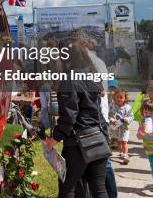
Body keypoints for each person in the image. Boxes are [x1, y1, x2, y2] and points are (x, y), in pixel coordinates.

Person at [45, 39, 109, 198]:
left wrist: (55, 137)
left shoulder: (69, 79)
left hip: (78, 143)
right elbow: (96, 109)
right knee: (99, 189)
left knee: (68, 188)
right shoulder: (91, 74)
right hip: (99, 137)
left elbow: (69, 114)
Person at [109, 89, 133, 164]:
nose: (119, 99)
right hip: (116, 127)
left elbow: (132, 116)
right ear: (114, 97)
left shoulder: (127, 107)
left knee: (124, 141)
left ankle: (125, 155)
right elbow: (109, 114)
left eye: (121, 97)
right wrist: (112, 119)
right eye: (117, 97)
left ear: (125, 98)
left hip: (124, 127)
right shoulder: (112, 105)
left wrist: (127, 119)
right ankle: (121, 153)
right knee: (119, 141)